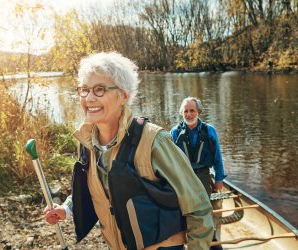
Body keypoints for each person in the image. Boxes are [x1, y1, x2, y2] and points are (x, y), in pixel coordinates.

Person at [44, 52, 214, 250]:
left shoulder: (154, 141)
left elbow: (199, 208)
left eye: (99, 90)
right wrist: (67, 209)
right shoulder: (86, 142)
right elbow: (99, 188)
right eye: (84, 90)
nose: (89, 98)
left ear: (123, 95)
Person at [170, 97, 226, 249]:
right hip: (183, 176)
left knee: (203, 209)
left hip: (203, 175)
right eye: (186, 111)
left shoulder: (209, 130)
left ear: (198, 112)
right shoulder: (175, 132)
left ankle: (209, 237)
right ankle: (183, 239)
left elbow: (217, 157)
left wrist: (219, 178)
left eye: (192, 111)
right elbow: (169, 160)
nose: (189, 114)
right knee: (183, 208)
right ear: (182, 113)